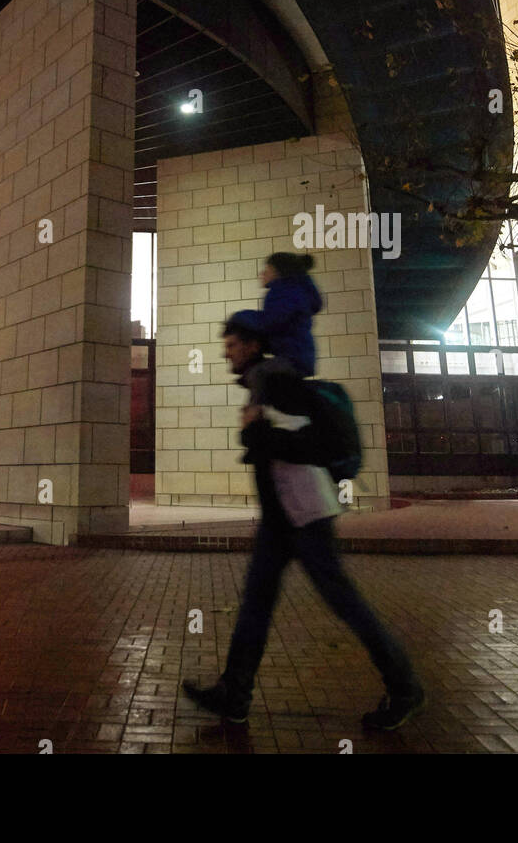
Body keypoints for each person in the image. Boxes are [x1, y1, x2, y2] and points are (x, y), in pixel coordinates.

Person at [181, 314, 424, 732]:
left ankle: (404, 687)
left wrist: (255, 435)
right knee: (255, 606)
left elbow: (308, 445)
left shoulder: (278, 383)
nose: (226, 352)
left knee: (345, 604)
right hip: (282, 518)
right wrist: (255, 437)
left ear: (254, 346)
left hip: (306, 516)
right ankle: (234, 694)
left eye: (233, 344)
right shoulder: (263, 382)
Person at [248, 252, 322, 378]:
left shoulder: (282, 292)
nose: (262, 274)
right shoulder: (293, 291)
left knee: (257, 374)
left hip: (292, 357)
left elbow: (272, 321)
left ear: (276, 272)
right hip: (300, 356)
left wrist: (243, 317)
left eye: (266, 269)